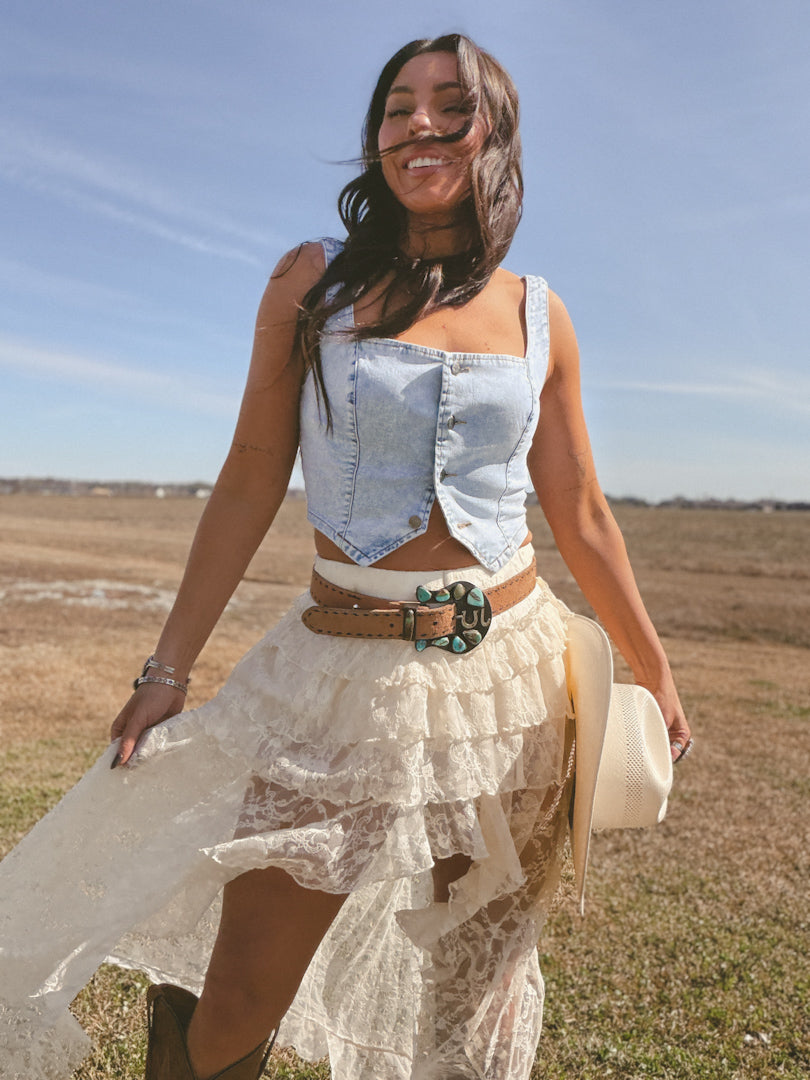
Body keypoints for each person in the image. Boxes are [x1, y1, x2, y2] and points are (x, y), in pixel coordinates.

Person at [0, 32, 691, 1080]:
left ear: (496, 134)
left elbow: (583, 511)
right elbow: (246, 475)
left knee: (470, 993)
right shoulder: (308, 285)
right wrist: (167, 668)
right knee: (236, 996)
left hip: (513, 676)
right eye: (396, 107)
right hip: (339, 669)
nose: (419, 124)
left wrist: (657, 668)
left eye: (450, 106)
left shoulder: (542, 316)